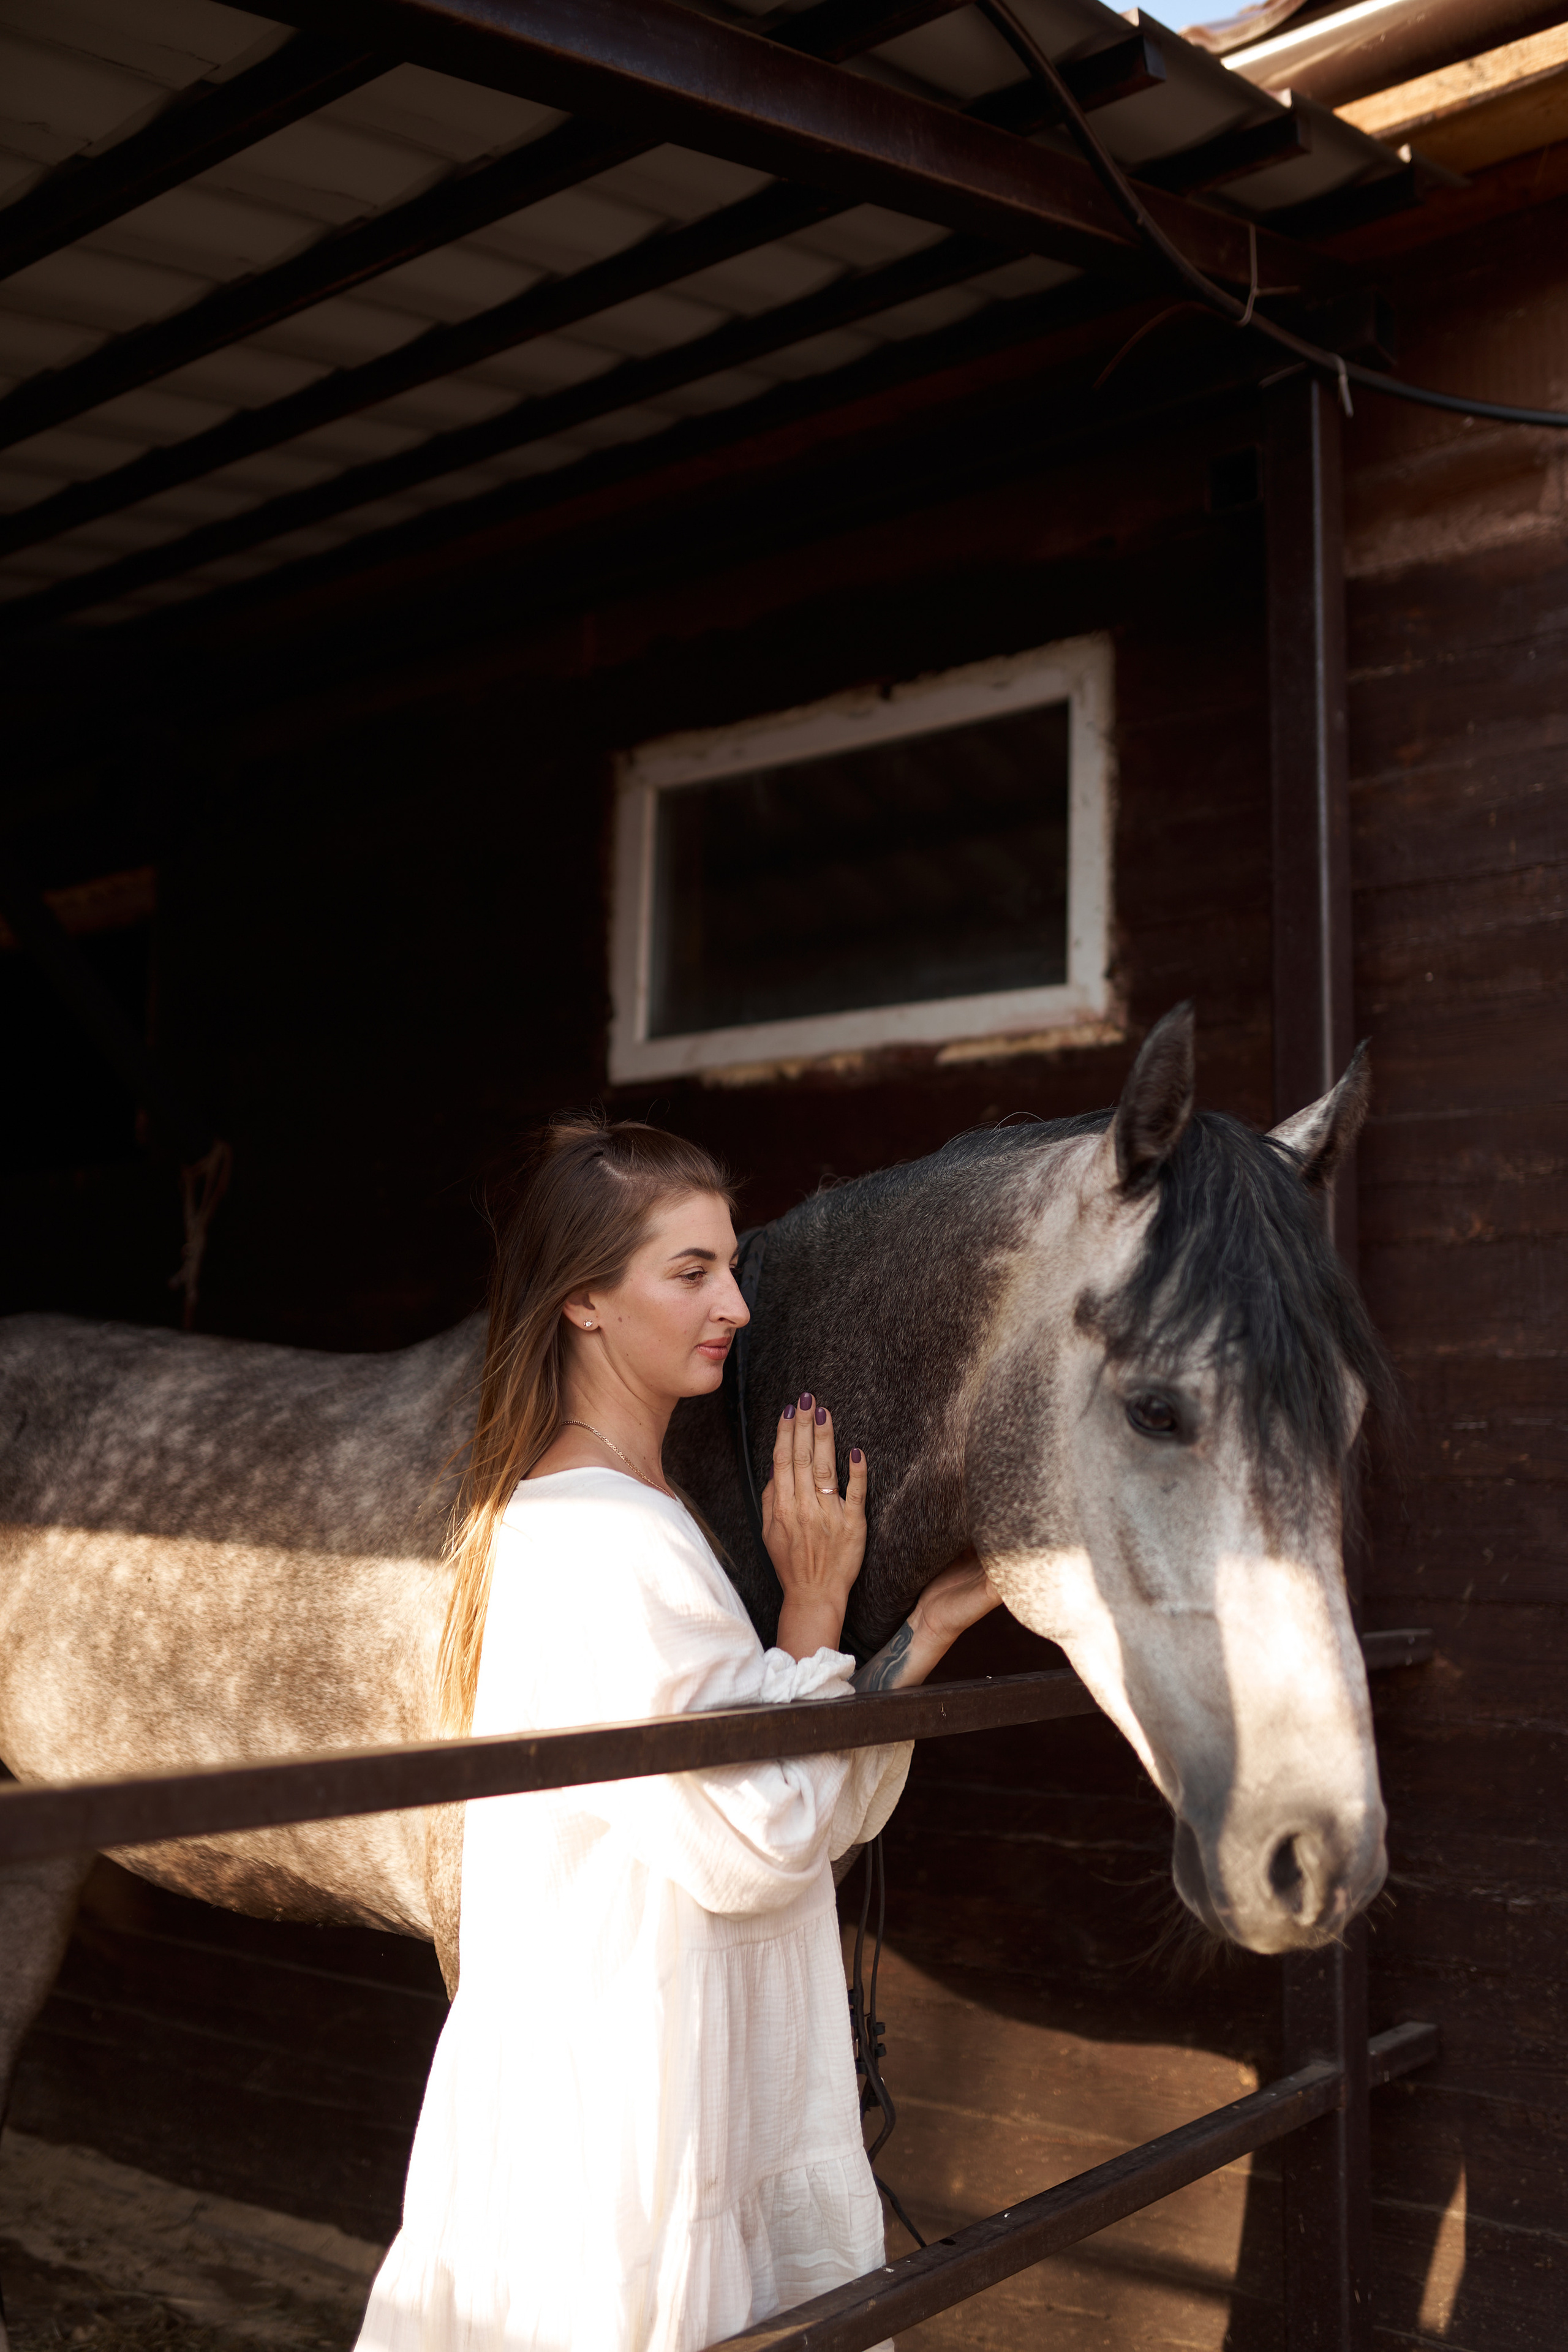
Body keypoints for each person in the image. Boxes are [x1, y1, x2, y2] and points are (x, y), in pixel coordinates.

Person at [357, 1117, 1000, 2352]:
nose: (736, 1307)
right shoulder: (599, 1533)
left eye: (730, 1267)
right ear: (587, 1302)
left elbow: (744, 1785)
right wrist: (818, 1618)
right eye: (690, 1271)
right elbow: (757, 1836)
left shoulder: (633, 1509)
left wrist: (913, 1631)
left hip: (652, 2064)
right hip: (630, 2090)